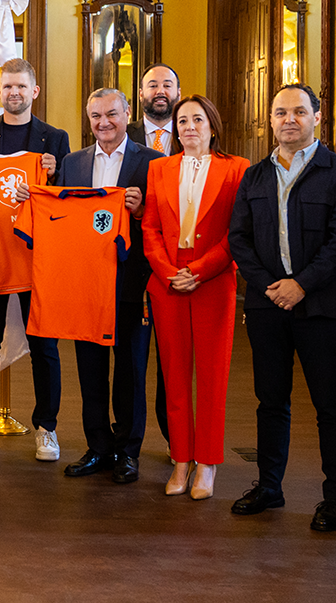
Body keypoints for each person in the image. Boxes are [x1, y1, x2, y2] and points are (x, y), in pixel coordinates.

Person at [228, 83, 336, 532]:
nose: (289, 120)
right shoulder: (254, 176)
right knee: (270, 400)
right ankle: (270, 486)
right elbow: (238, 239)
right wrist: (270, 287)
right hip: (267, 306)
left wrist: (301, 284)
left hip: (320, 307)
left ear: (317, 117)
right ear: (271, 120)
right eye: (281, 113)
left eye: (299, 112)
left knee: (329, 404)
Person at [0, 58, 70, 462]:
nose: (14, 93)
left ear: (34, 91)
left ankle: (47, 427)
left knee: (45, 346)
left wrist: (54, 176)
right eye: (7, 86)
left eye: (21, 86)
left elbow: (65, 199)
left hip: (36, 258)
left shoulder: (54, 138)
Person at [141, 95, 247, 500]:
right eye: (182, 121)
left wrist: (200, 271)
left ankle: (207, 463)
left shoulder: (236, 169)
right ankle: (181, 459)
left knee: (213, 377)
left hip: (213, 280)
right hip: (168, 280)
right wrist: (168, 273)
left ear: (212, 126)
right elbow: (150, 228)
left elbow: (238, 232)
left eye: (197, 120)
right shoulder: (159, 167)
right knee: (174, 376)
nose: (189, 127)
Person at [58, 88, 160, 484]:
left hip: (133, 283)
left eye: (112, 114)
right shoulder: (72, 163)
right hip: (87, 283)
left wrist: (142, 209)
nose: (104, 123)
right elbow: (62, 220)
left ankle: (128, 451)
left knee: (131, 370)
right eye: (96, 116)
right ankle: (98, 447)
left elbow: (165, 221)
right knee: (90, 369)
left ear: (127, 113)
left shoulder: (153, 162)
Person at [129, 64, 181, 446]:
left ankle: (175, 439)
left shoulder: (194, 133)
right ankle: (129, 443)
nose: (159, 90)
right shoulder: (121, 133)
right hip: (132, 263)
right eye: (152, 85)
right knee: (132, 362)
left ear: (177, 92)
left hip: (179, 266)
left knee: (173, 362)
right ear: (141, 94)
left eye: (167, 84)